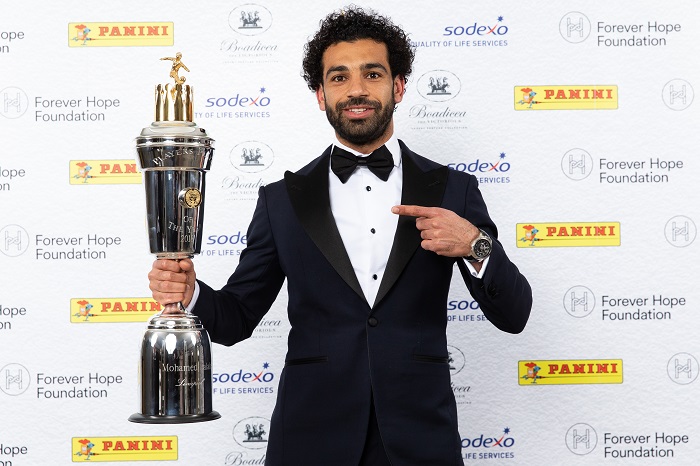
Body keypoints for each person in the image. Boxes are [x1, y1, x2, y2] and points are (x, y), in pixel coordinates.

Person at [149, 7, 532, 465]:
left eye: (372, 73)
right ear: (320, 93)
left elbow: (515, 314)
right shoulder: (281, 201)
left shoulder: (453, 190)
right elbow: (237, 317)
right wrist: (191, 294)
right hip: (310, 438)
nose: (356, 90)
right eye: (339, 77)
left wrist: (475, 245)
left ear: (399, 86)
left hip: (419, 441)